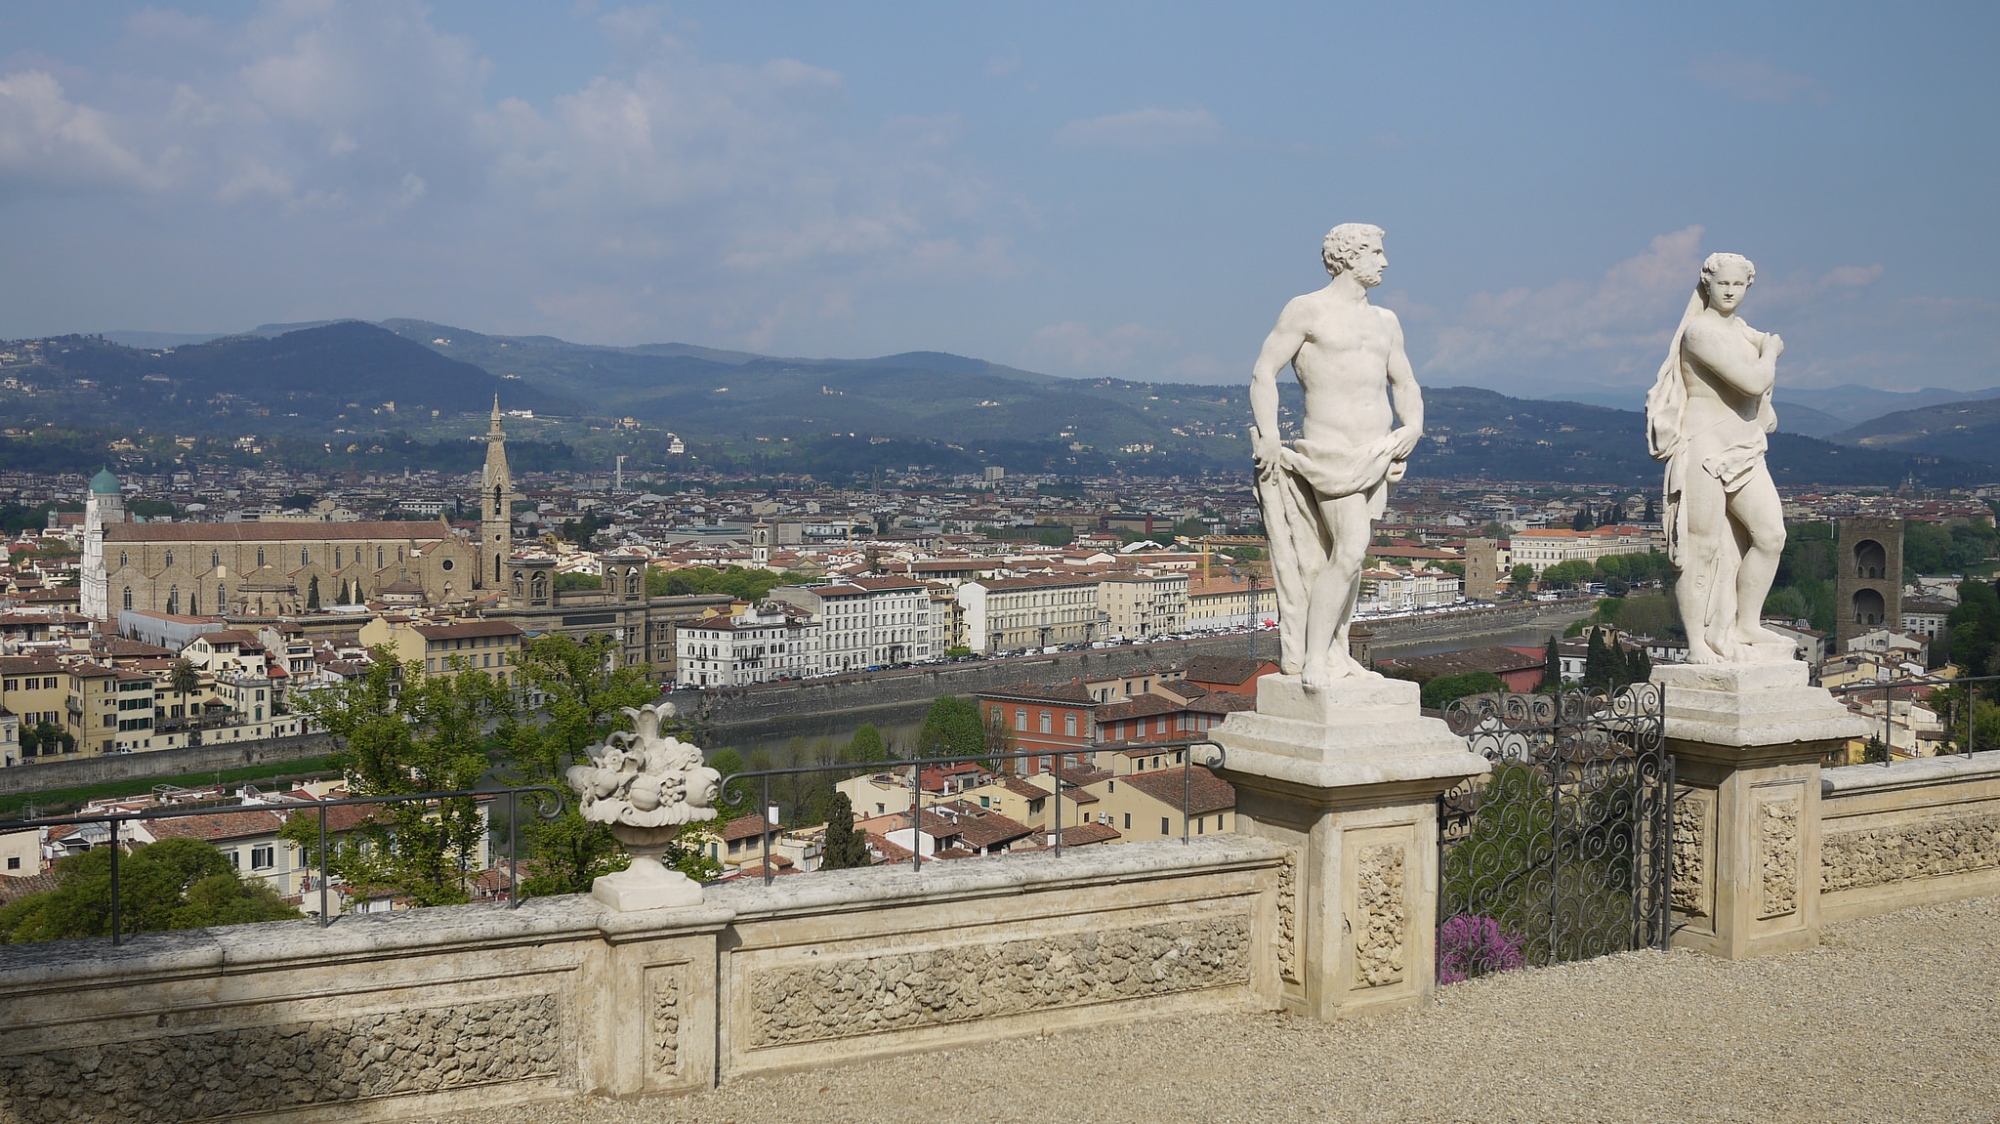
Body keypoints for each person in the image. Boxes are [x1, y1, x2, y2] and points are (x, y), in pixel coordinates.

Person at [1249, 223, 1423, 689]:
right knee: (1349, 552)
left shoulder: (1386, 321)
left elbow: (1404, 382)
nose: (1385, 262)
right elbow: (1264, 371)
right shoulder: (1307, 310)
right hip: (1330, 455)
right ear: (1349, 256)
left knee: (1348, 560)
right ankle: (1314, 661)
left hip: (1377, 454)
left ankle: (1337, 650)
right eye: (1377, 253)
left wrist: (1412, 427)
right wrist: (1269, 435)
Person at [1645, 252, 1790, 664]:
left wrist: (1760, 346)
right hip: (1705, 452)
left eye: (1737, 284)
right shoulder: (1700, 333)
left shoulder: (1743, 333)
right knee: (1701, 548)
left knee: (1771, 536)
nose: (1729, 291)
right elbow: (1751, 382)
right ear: (1707, 284)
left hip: (1745, 451)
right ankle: (1696, 643)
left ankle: (1746, 624)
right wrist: (1772, 351)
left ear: (1748, 287)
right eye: (1722, 283)